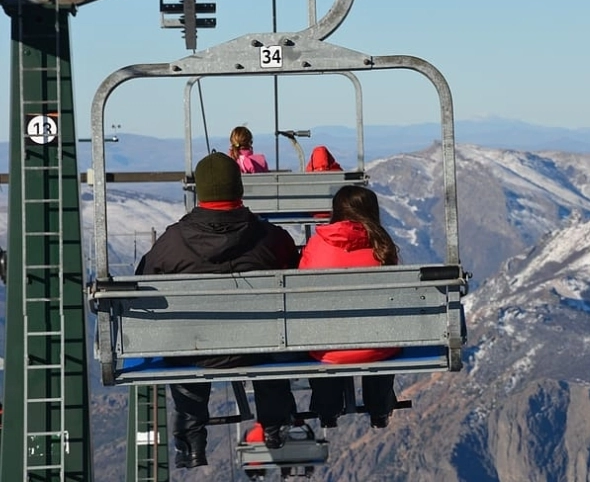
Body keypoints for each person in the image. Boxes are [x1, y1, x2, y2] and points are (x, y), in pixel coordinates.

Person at [135, 152, 299, 469]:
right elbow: (295, 274)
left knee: (185, 348)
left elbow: (143, 282)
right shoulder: (271, 237)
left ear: (201, 192)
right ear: (239, 188)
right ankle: (275, 427)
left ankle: (191, 446)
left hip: (196, 348)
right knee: (272, 343)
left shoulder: (172, 243)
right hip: (259, 346)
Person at [299, 185, 399, 429]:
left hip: (327, 348)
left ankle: (327, 407)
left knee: (325, 337)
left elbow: (301, 292)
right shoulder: (382, 247)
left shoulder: (317, 244)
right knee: (378, 340)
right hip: (375, 347)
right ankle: (379, 407)